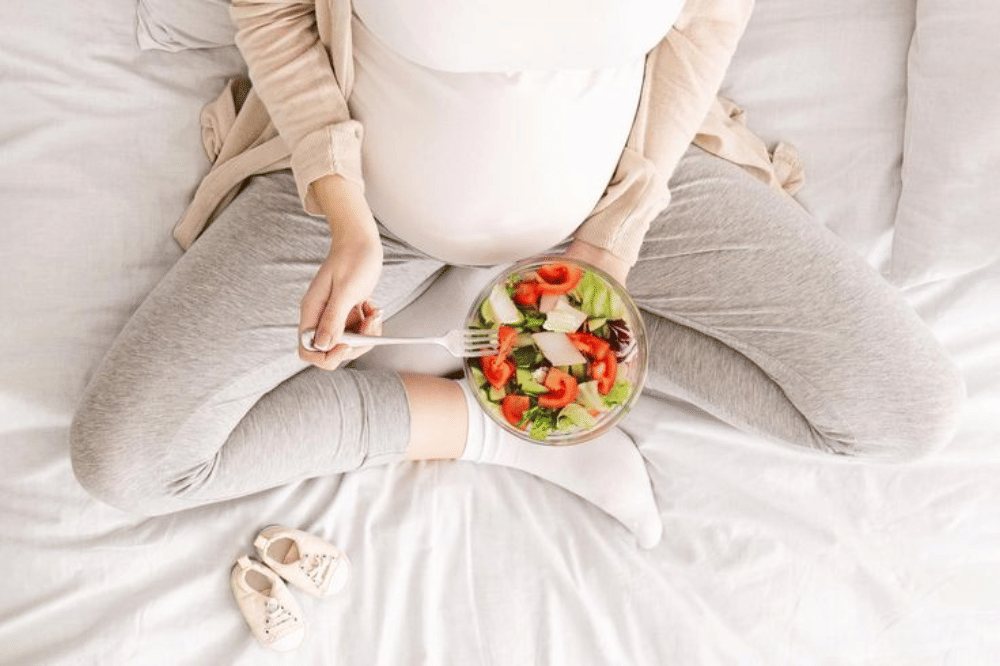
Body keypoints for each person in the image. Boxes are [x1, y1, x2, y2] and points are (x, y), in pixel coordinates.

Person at [70, 0, 965, 549]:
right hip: (365, 208)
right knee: (132, 461)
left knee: (903, 409)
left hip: (625, 192)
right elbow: (273, 15)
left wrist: (615, 238)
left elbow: (705, 26)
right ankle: (492, 415)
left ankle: (490, 316)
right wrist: (344, 216)